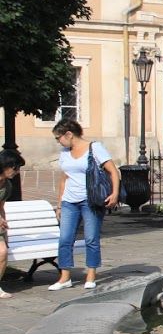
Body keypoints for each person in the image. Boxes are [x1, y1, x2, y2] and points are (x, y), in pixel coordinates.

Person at [51, 120, 119, 292]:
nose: (58, 141)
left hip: (91, 201)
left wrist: (115, 194)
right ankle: (65, 277)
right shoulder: (64, 152)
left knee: (91, 238)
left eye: (58, 138)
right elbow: (64, 178)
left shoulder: (95, 148)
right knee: (65, 239)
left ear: (69, 134)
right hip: (69, 202)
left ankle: (90, 276)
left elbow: (113, 170)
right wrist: (59, 204)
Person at [0, 150, 23, 300]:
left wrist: (3, 225)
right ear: (6, 166)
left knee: (2, 252)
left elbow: (1, 206)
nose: (17, 172)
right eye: (15, 168)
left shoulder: (7, 185)